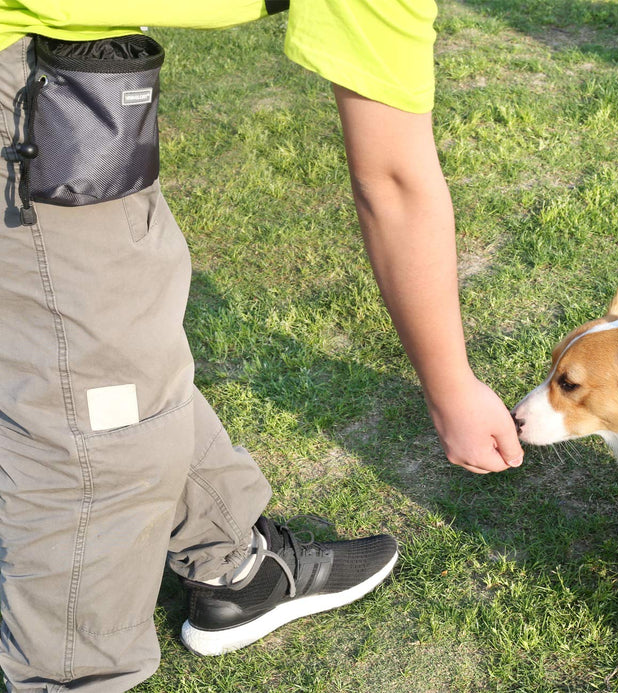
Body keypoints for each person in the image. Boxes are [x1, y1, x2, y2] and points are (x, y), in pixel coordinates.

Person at [0, 1, 524, 690]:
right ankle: (69, 677)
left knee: (109, 347)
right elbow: (394, 181)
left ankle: (233, 570)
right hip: (33, 93)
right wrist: (451, 386)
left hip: (68, 77)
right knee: (98, 408)